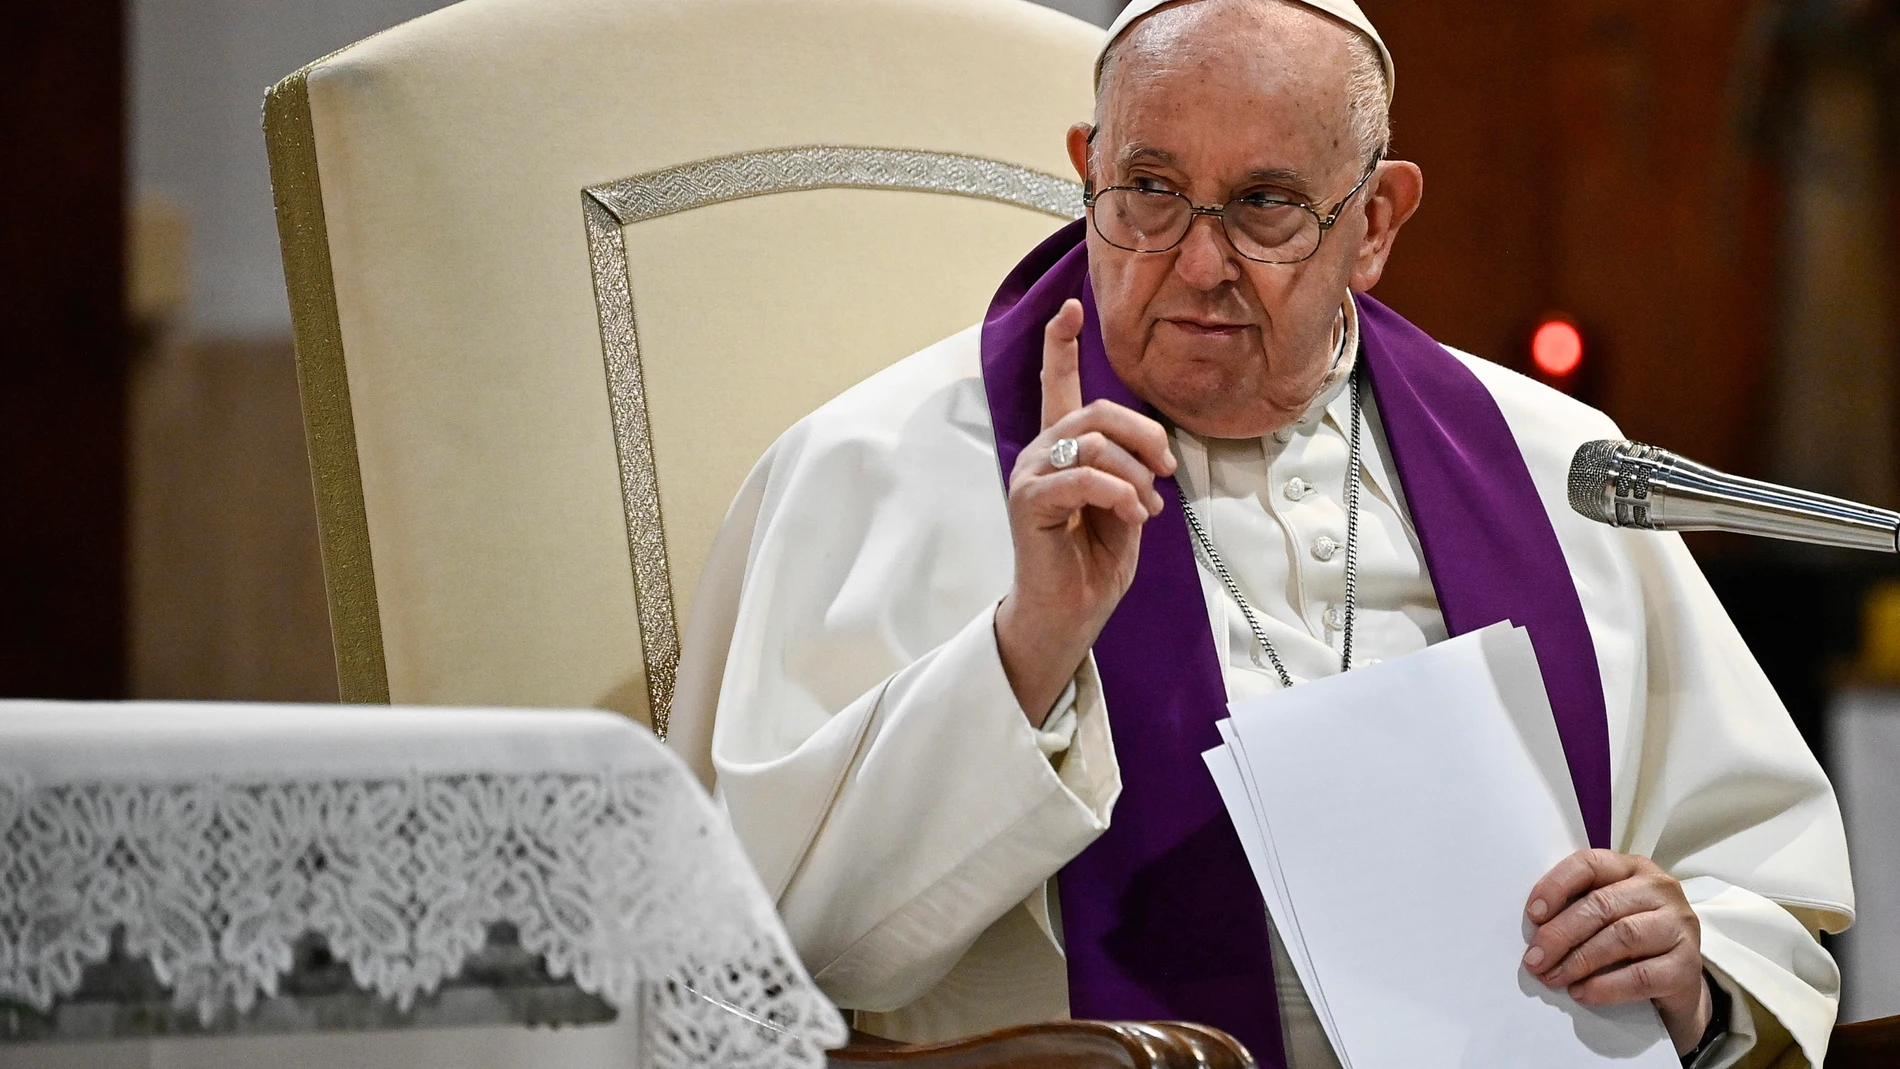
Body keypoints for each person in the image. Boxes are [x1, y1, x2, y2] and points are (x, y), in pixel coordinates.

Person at [666, 1, 1854, 1066]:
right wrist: (1028, 647)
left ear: (1377, 218)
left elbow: (1758, 888)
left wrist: (1687, 966)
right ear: (1085, 171)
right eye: (1148, 189)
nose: (1196, 262)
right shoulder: (868, 467)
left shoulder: (1556, 465)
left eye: (1264, 204)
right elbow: (755, 962)